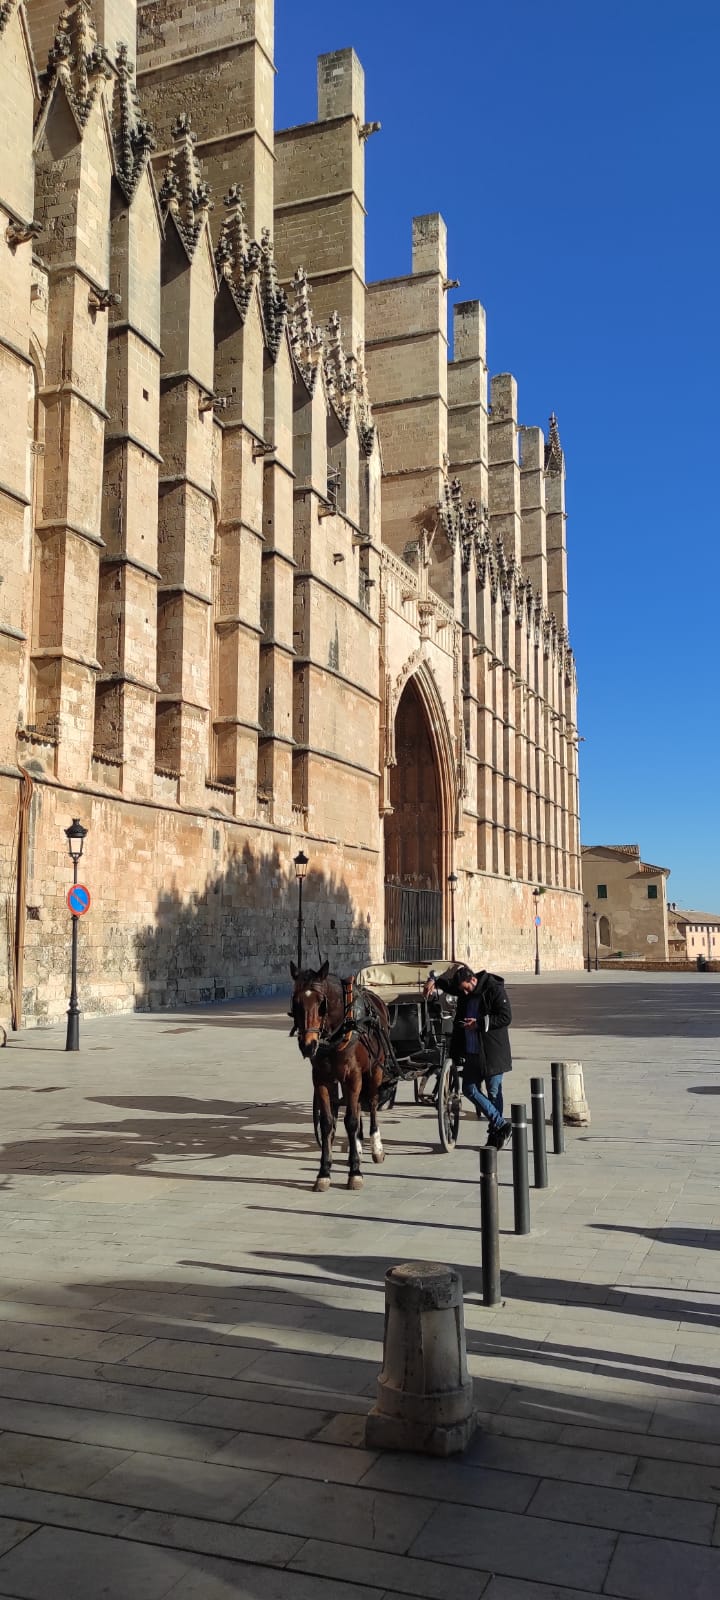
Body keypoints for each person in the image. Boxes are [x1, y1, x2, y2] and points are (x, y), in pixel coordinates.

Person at [425, 963, 513, 1148]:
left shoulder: (493, 989)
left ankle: (495, 1134)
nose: (463, 994)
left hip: (492, 1051)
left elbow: (506, 1017)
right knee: (469, 1089)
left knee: (494, 1092)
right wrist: (433, 980)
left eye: (465, 989)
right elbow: (448, 985)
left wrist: (479, 1023)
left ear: (472, 980)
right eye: (462, 991)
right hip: (472, 1052)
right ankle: (501, 1124)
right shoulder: (465, 991)